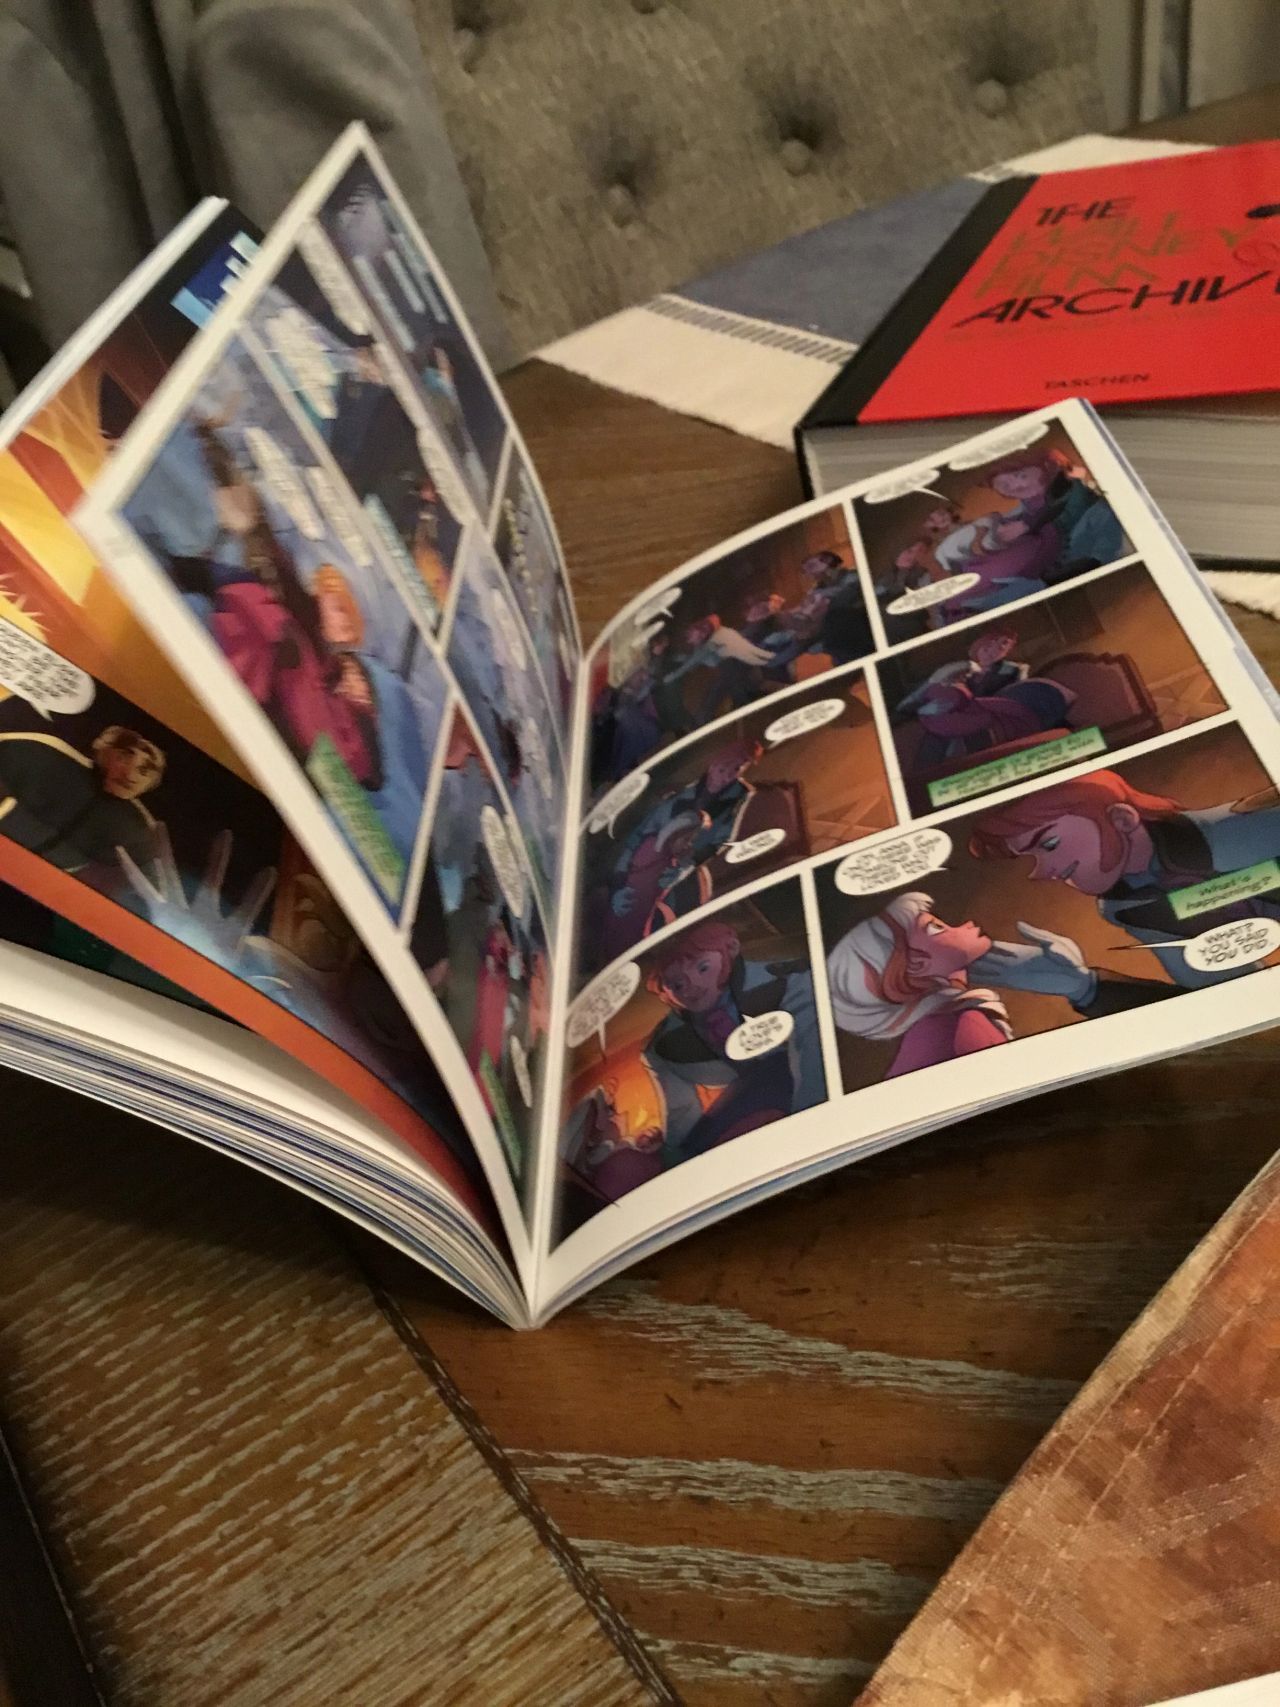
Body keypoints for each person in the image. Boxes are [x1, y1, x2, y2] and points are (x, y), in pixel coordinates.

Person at [967, 768, 1280, 1008]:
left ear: (1121, 818)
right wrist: (1087, 988)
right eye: (1031, 856)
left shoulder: (1256, 824)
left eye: (1049, 844)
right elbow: (1228, 1001)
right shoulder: (1129, 907)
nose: (1041, 871)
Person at [642, 919, 824, 1167]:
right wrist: (679, 1151)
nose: (693, 986)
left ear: (731, 949)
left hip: (799, 1072)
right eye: (677, 984)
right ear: (663, 991)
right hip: (751, 1086)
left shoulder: (785, 980)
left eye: (703, 968)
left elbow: (811, 1047)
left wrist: (810, 1112)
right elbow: (681, 1112)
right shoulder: (664, 1045)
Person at [826, 890, 1013, 1077]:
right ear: (918, 965)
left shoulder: (929, 1030)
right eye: (937, 927)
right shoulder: (958, 1025)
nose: (968, 924)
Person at [0, 724, 163, 882]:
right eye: (124, 757)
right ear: (103, 746)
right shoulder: (44, 752)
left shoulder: (140, 829)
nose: (130, 775)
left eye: (144, 770)